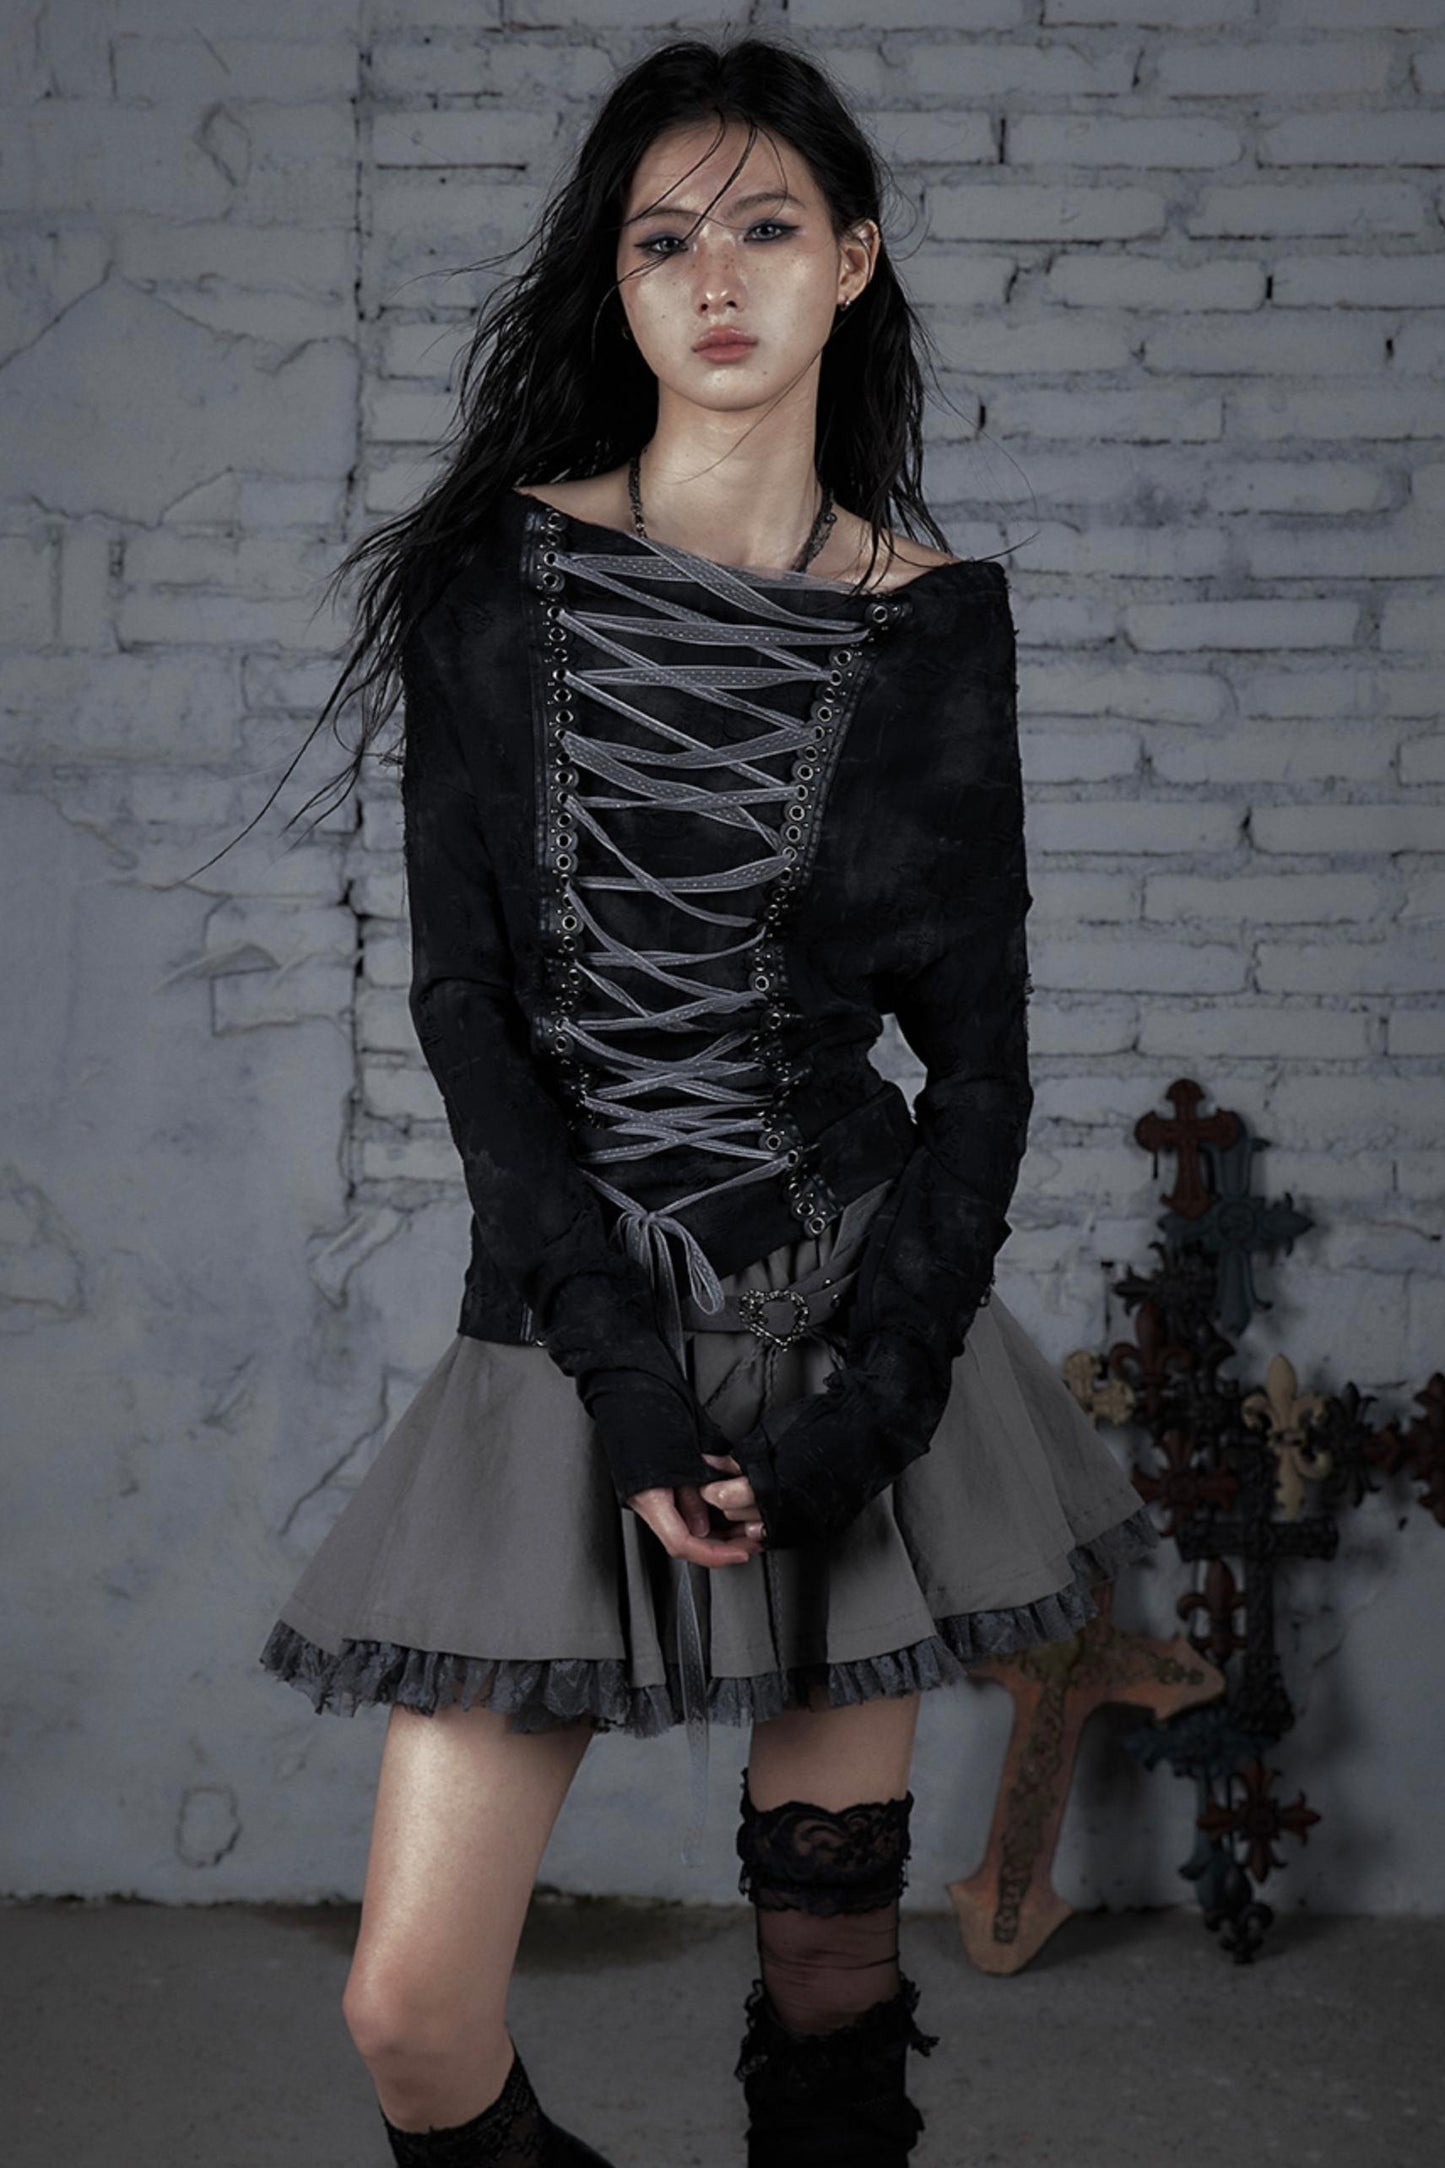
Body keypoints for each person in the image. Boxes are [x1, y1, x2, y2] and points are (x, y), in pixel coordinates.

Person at [256, 32, 1159, 2167]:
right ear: (618, 281)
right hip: (570, 1323)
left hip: (850, 1324)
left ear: (853, 259)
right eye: (663, 241)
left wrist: (875, 1405)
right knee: (410, 2013)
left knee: (832, 1971)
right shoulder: (491, 586)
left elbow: (981, 1063)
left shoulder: (936, 627)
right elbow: (468, 1009)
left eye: (765, 227)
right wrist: (619, 1372)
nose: (716, 278)